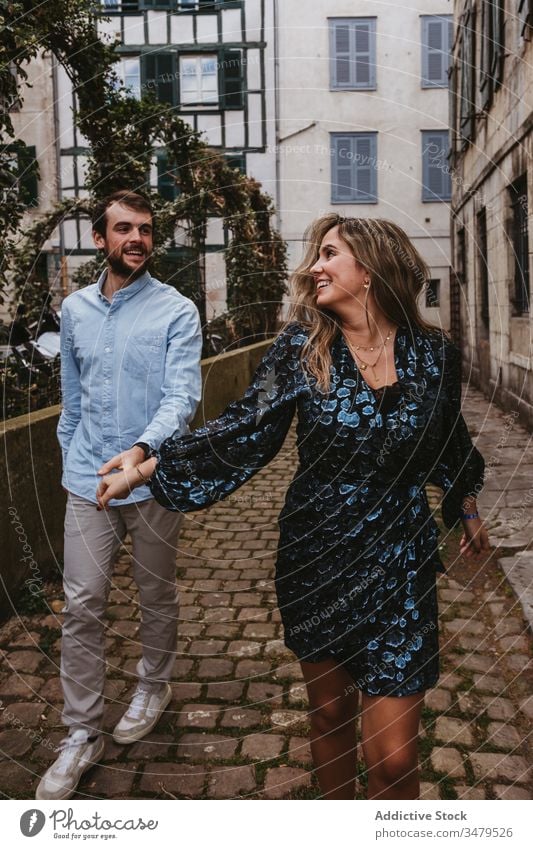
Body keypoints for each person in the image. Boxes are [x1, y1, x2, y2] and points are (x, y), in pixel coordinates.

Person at [97, 214, 490, 800]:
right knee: (330, 721)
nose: (314, 268)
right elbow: (242, 431)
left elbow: (449, 439)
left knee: (395, 760)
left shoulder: (436, 355)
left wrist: (467, 508)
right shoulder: (302, 350)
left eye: (330, 254)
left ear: (371, 268)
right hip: (317, 559)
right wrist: (146, 468)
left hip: (401, 566)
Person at [36, 190, 202, 800]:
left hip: (152, 476)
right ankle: (81, 732)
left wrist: (139, 454)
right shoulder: (74, 310)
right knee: (82, 603)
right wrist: (71, 458)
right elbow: (71, 399)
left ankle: (152, 683)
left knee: (156, 591)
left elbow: (182, 398)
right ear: (101, 239)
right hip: (86, 481)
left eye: (146, 230)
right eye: (124, 228)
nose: (137, 238)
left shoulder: (177, 311)